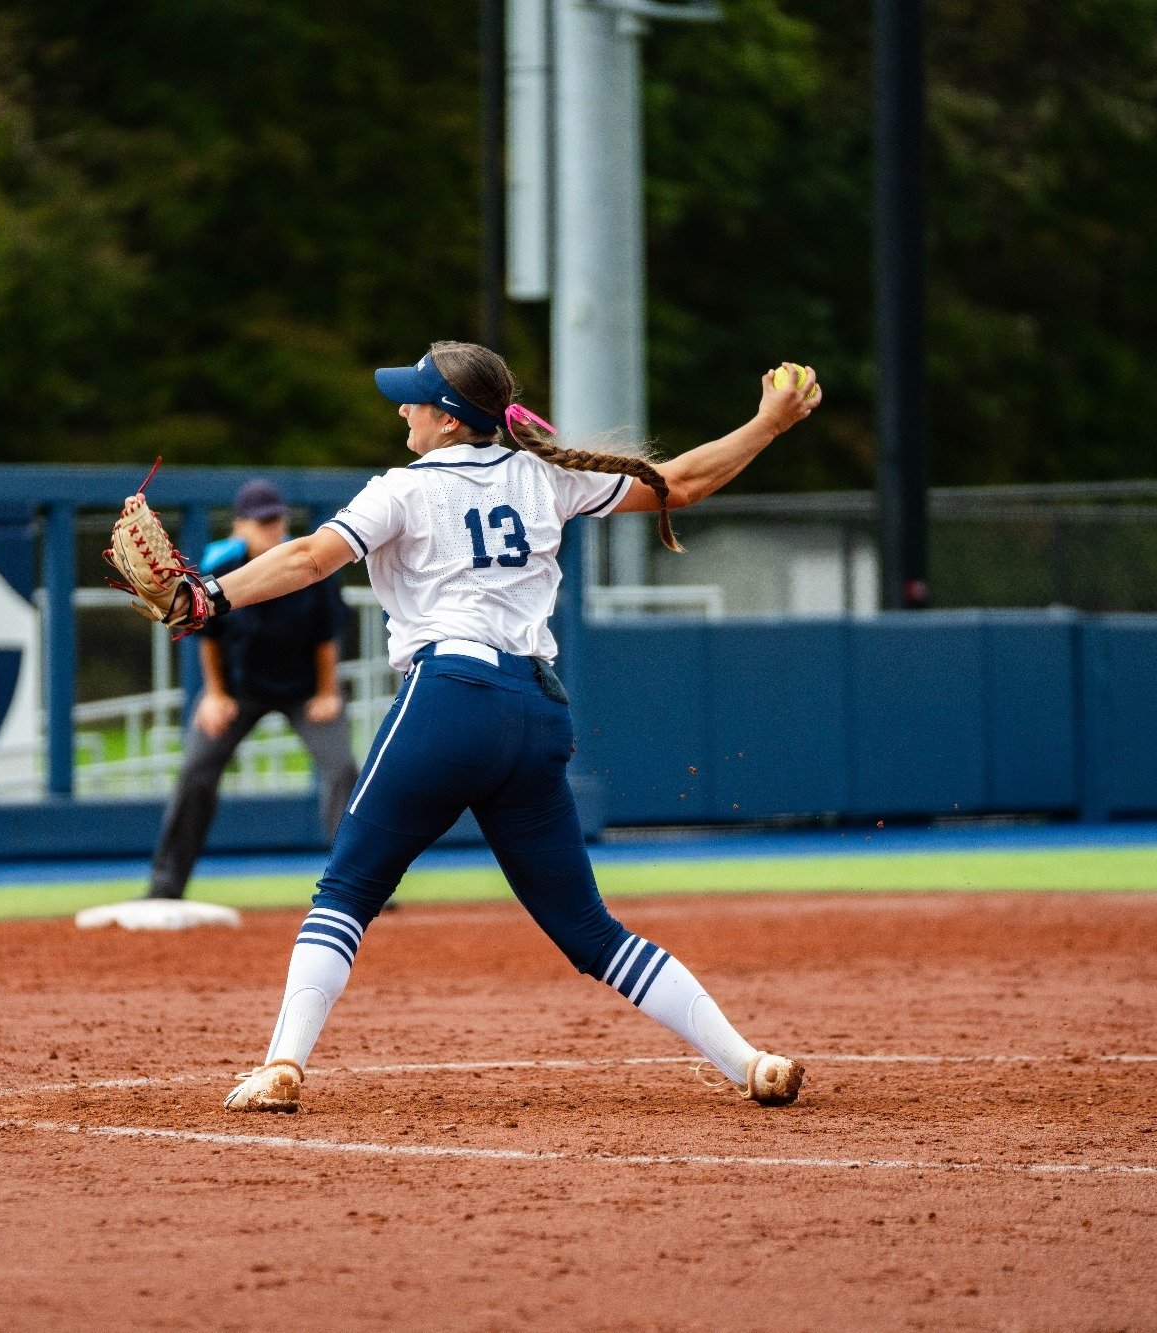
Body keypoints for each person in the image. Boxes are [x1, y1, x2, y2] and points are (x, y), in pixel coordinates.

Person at [155, 341, 821, 1112]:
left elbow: (307, 558)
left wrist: (208, 596)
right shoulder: (542, 474)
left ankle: (282, 1065)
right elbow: (684, 482)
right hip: (536, 714)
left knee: (345, 889)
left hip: (448, 697)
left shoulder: (401, 490)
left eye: (413, 398)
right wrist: (767, 423)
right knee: (591, 932)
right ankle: (749, 1060)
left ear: (445, 419)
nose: (402, 407)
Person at [146, 479, 359, 901]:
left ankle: (357, 886)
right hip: (240, 691)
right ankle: (165, 887)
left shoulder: (306, 561)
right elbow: (209, 637)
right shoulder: (221, 566)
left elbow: (325, 636)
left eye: (276, 518)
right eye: (261, 521)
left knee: (344, 771)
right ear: (240, 525)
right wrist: (215, 694)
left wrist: (327, 692)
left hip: (304, 691)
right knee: (196, 771)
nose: (272, 527)